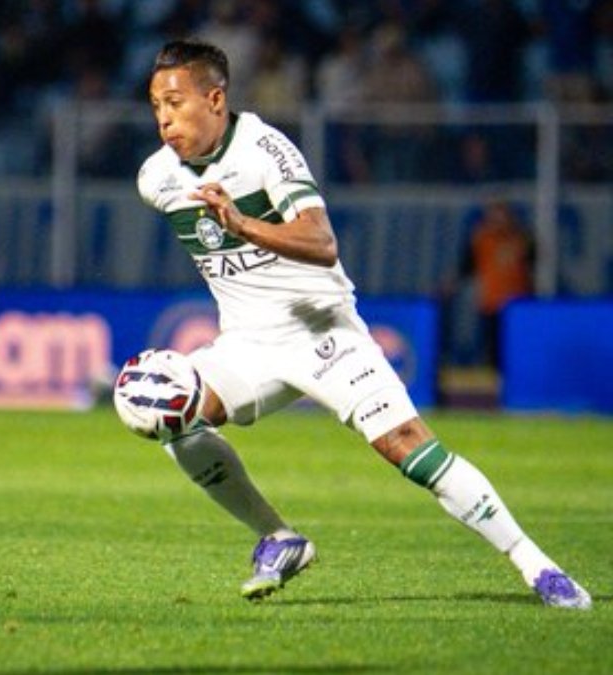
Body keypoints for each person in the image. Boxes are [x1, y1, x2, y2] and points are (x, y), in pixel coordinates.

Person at [133, 39, 590, 609]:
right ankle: (279, 539)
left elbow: (322, 243)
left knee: (409, 448)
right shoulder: (156, 177)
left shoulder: (266, 150)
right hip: (247, 346)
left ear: (217, 99)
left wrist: (244, 224)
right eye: (155, 105)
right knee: (157, 407)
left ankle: (537, 566)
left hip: (323, 333)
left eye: (175, 102)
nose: (163, 118)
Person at [460, 200, 534, 370]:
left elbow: (534, 262)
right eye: (494, 216)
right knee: (492, 344)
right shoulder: (481, 239)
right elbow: (467, 266)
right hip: (491, 301)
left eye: (502, 215)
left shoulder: (521, 238)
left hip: (517, 304)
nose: (499, 220)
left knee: (516, 345)